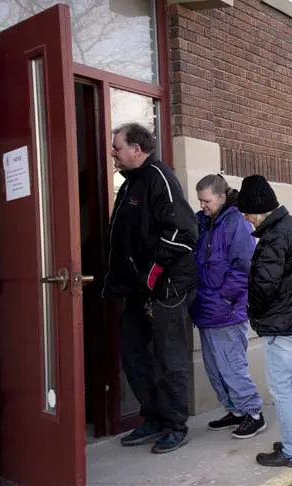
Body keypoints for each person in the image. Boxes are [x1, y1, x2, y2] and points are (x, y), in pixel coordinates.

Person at [104, 122, 198, 454]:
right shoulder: (128, 185)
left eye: (117, 147)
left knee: (169, 358)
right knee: (132, 355)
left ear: (136, 150)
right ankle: (154, 418)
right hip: (135, 291)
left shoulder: (161, 180)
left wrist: (150, 276)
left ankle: (175, 424)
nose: (112, 153)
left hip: (165, 289)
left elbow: (183, 234)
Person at [237, 175, 292, 468]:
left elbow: (264, 286)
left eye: (247, 213)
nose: (246, 219)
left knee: (282, 388)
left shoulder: (274, 237)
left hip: (279, 326)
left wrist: (252, 310)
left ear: (258, 209)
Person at [190, 174, 266, 439]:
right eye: (200, 200)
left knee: (232, 366)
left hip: (226, 310)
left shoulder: (237, 223)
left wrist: (225, 298)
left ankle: (254, 413)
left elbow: (244, 267)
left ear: (222, 197)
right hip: (206, 308)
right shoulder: (204, 222)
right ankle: (235, 410)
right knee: (215, 368)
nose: (202, 205)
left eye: (207, 200)